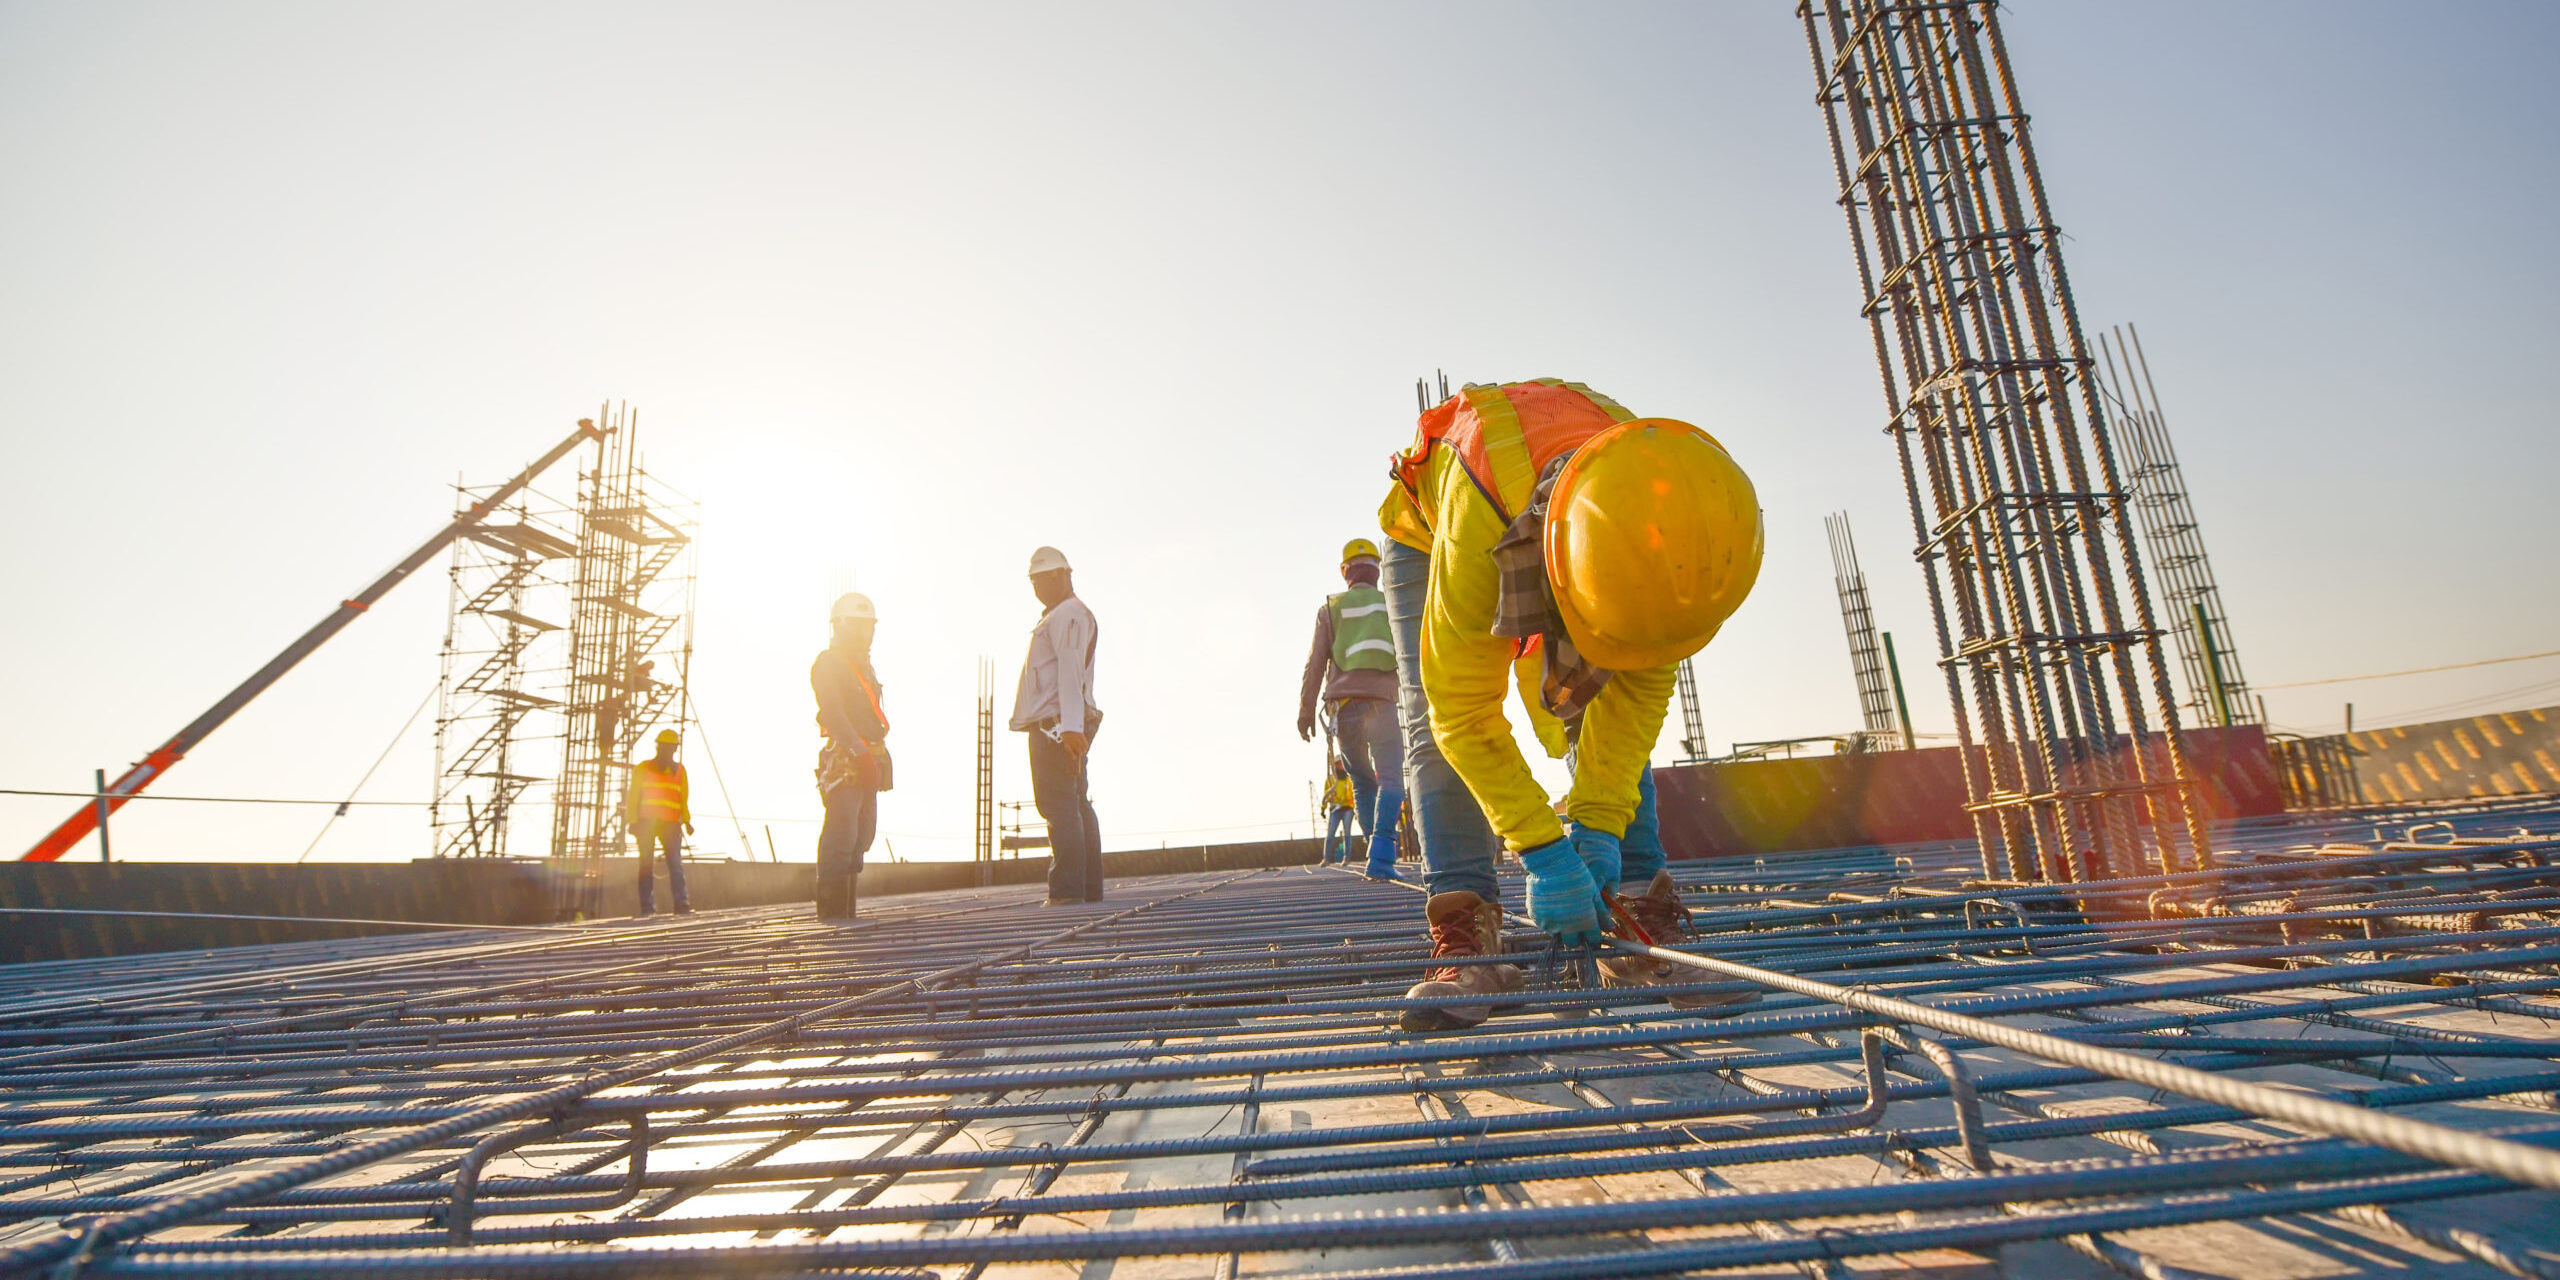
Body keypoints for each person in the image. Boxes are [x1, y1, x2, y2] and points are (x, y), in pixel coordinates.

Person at [1378, 380, 1763, 1030]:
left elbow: (1636, 696)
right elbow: (1462, 711)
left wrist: (1599, 828)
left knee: (1609, 681)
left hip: (1575, 511)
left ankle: (1635, 910)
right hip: (1440, 525)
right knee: (1426, 715)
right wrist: (1544, 851)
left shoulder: (1673, 520)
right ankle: (1469, 937)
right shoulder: (1480, 527)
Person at [1297, 538, 1406, 880]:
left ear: (1345, 572)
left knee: (1362, 781)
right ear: (1377, 571)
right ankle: (1382, 856)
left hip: (1344, 710)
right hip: (1383, 706)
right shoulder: (1392, 605)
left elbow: (1315, 665)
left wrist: (1304, 711)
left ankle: (1376, 853)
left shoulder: (1331, 608)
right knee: (1390, 778)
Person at [1009, 546, 1104, 904]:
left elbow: (1068, 670)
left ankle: (1066, 892)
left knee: (1059, 805)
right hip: (1064, 722)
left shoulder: (1069, 615)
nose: (1036, 588)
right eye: (1032, 581)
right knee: (1075, 803)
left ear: (1061, 576)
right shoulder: (1064, 615)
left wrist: (1070, 728)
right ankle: (1088, 890)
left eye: (1040, 579)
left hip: (1057, 726)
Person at [812, 592, 891, 922]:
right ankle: (833, 915)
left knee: (863, 833)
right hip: (846, 757)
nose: (865, 633)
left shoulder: (866, 668)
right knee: (842, 833)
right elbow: (833, 712)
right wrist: (858, 752)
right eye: (858, 626)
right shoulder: (829, 663)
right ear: (841, 626)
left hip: (868, 755)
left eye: (868, 626)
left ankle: (848, 911)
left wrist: (876, 756)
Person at [626, 728, 694, 916]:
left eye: (671, 748)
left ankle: (682, 904)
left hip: (671, 825)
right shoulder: (642, 768)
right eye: (665, 747)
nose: (668, 751)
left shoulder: (680, 771)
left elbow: (683, 799)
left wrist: (687, 821)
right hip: (645, 824)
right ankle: (647, 908)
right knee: (646, 864)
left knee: (675, 863)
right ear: (658, 747)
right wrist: (632, 821)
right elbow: (633, 797)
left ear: (674, 749)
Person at [1321, 756, 1358, 865]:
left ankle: (1346, 858)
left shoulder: (1349, 779)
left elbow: (1354, 795)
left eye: (1342, 763)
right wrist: (1322, 809)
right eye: (1338, 764)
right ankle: (1326, 859)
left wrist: (1355, 809)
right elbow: (1326, 794)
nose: (1340, 766)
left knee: (1347, 834)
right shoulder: (1330, 780)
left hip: (1347, 809)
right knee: (1330, 834)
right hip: (1335, 810)